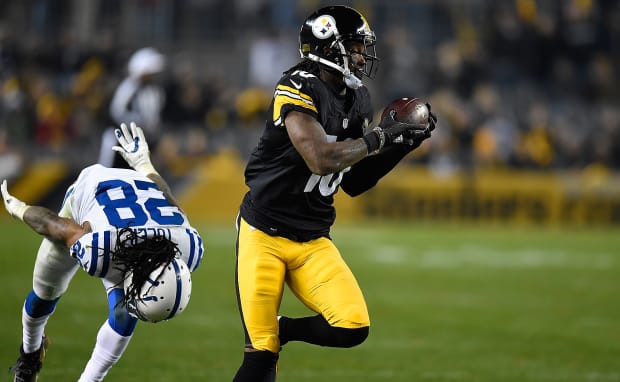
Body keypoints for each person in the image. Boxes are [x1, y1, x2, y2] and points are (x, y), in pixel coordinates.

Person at [232, 5, 437, 381]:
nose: (361, 55)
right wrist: (379, 137)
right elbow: (319, 158)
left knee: (352, 326)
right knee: (260, 356)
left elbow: (354, 182)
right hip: (264, 233)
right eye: (355, 46)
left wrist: (402, 145)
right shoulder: (297, 86)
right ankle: (270, 337)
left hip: (312, 238)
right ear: (328, 46)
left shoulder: (357, 98)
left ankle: (284, 329)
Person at [3, 122, 204, 382]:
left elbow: (168, 200)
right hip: (91, 193)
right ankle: (30, 354)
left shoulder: (190, 247)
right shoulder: (101, 248)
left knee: (124, 314)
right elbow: (58, 226)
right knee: (45, 293)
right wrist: (20, 209)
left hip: (132, 206)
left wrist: (145, 166)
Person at [98, 47, 166, 168]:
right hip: (119, 141)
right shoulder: (128, 87)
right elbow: (117, 112)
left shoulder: (154, 91)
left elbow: (154, 118)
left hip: (141, 143)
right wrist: (137, 122)